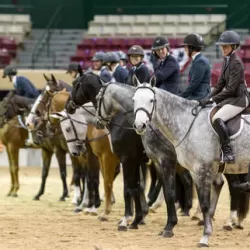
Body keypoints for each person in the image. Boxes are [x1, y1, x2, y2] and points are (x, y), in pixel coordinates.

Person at [200, 30, 250, 163]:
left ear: (233, 47)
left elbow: (231, 89)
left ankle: (228, 152)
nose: (223, 49)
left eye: (226, 46)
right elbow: (219, 84)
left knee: (217, 118)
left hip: (239, 99)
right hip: (231, 97)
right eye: (222, 46)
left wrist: (213, 99)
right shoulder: (226, 60)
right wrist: (207, 98)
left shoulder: (237, 63)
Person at [179, 33, 211, 100]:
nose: (184, 50)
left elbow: (194, 84)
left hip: (200, 96)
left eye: (185, 47)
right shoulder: (197, 60)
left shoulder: (200, 61)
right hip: (197, 94)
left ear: (191, 48)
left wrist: (181, 96)